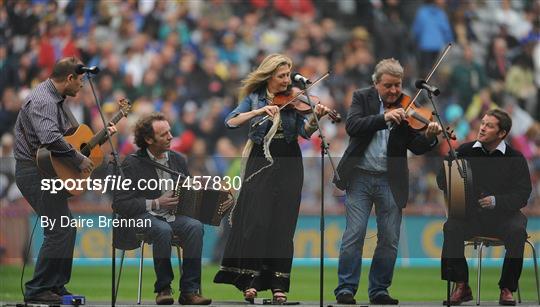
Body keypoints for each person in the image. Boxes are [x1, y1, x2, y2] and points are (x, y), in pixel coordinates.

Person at [213, 53, 331, 303]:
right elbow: (230, 121)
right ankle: (251, 281)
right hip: (261, 160)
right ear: (269, 77)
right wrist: (258, 110)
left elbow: (303, 132)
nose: (287, 80)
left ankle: (279, 284)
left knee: (283, 225)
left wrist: (315, 119)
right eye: (282, 76)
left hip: (289, 161)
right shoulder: (254, 98)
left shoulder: (296, 98)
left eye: (288, 75)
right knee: (256, 222)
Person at [333, 58, 442, 305]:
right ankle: (346, 289)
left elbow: (415, 145)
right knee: (354, 233)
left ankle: (379, 290)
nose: (394, 91)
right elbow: (353, 126)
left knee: (390, 238)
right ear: (376, 84)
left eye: (398, 85)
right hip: (359, 176)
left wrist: (430, 137)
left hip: (390, 179)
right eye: (388, 86)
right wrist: (385, 117)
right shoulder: (362, 97)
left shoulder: (407, 105)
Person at [14, 57, 116, 304]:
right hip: (34, 171)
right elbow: (50, 138)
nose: (82, 85)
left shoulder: (56, 100)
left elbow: (70, 141)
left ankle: (56, 286)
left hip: (47, 170)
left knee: (65, 229)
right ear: (69, 78)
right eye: (80, 80)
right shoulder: (44, 100)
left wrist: (96, 142)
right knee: (60, 229)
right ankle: (38, 289)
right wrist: (78, 160)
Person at [112, 113, 211, 305]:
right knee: (162, 229)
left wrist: (202, 194)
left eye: (170, 131)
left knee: (195, 227)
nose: (171, 136)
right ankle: (163, 289)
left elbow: (187, 192)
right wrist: (157, 202)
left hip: (172, 217)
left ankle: (189, 291)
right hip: (140, 217)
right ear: (148, 139)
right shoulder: (131, 163)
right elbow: (119, 203)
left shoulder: (178, 160)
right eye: (164, 134)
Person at [440, 109, 531, 306]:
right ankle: (461, 285)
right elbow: (442, 182)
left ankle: (507, 288)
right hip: (472, 217)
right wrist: (449, 165)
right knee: (451, 227)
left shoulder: (516, 158)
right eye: (482, 122)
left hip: (505, 217)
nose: (482, 127)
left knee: (517, 231)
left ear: (502, 133)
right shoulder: (463, 151)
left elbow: (522, 195)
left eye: (489, 125)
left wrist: (497, 200)